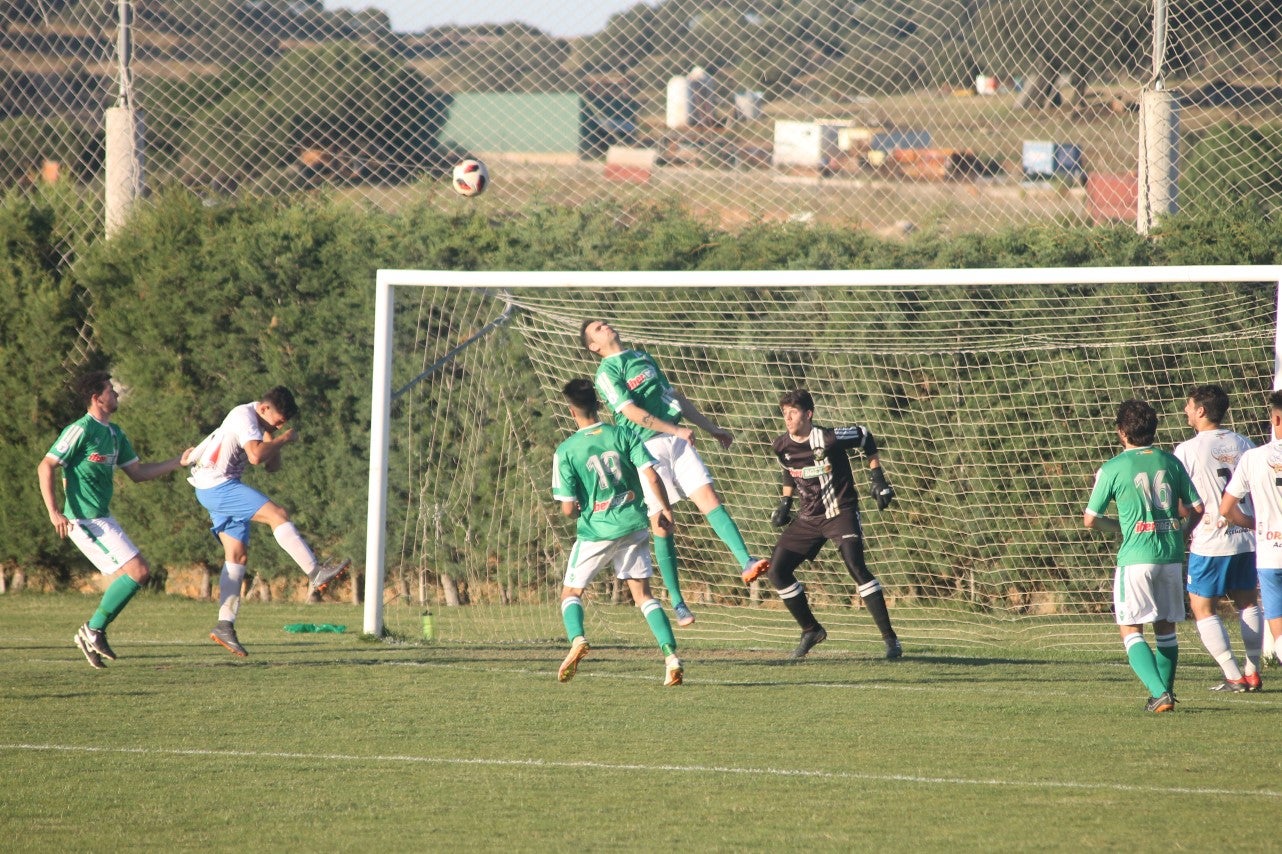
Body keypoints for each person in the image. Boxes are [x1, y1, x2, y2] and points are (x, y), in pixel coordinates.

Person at [581, 319, 769, 628]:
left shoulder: (641, 357)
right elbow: (631, 413)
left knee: (708, 497)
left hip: (676, 440)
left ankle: (746, 561)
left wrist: (711, 428)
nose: (606, 326)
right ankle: (678, 602)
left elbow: (674, 398)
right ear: (593, 346)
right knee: (664, 523)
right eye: (598, 328)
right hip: (645, 448)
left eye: (605, 322)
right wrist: (675, 429)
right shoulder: (606, 373)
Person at [38, 370, 195, 669]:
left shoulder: (114, 433)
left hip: (102, 518)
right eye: (111, 390)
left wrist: (179, 461)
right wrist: (54, 512)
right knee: (138, 570)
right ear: (97, 398)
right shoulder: (80, 429)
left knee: (139, 571)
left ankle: (93, 630)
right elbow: (46, 466)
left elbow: (138, 474)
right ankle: (93, 630)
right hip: (82, 520)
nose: (116, 394)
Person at [186, 386, 348, 657]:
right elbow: (256, 456)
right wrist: (282, 439)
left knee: (236, 557)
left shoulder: (257, 421)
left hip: (212, 486)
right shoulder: (244, 416)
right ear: (263, 408)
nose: (280, 423)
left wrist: (273, 438)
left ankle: (224, 625)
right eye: (279, 418)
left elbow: (272, 466)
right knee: (278, 515)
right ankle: (314, 571)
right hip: (218, 486)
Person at [551, 379, 683, 686]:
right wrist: (663, 509)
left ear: (572, 411)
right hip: (634, 523)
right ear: (598, 404)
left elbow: (568, 509)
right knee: (643, 595)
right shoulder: (624, 433)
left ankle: (577, 639)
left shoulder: (567, 450)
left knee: (571, 592)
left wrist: (583, 506)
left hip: (597, 530)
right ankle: (670, 657)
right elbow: (650, 475)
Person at [1084, 399, 1203, 713]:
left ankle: (1159, 692)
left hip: (1136, 557)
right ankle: (1165, 692)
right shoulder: (1171, 462)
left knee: (1130, 628)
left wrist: (1120, 528)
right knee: (1166, 628)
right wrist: (1182, 531)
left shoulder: (1112, 468)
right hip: (1171, 556)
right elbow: (1198, 508)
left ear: (1121, 432)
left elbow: (1091, 518)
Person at [765, 389, 902, 660]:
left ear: (808, 414)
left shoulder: (828, 438)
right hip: (808, 517)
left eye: (793, 412)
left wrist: (878, 478)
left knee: (856, 566)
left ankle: (891, 641)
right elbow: (789, 470)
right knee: (777, 572)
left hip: (840, 512)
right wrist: (785, 502)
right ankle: (811, 630)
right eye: (784, 413)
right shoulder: (781, 444)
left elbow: (864, 436)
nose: (788, 418)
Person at [1174, 385, 1264, 692]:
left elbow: (1183, 502)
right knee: (1248, 604)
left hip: (1212, 538)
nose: (1185, 411)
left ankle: (1232, 675)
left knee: (1202, 608)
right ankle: (1252, 670)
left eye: (1188, 406)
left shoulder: (1187, 450)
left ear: (1200, 410)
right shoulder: (1244, 443)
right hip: (1247, 539)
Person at [1218, 389, 1282, 680]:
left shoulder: (1253, 458)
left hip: (1271, 552)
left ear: (1275, 419)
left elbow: (1227, 507)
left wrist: (1255, 524)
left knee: (1277, 625)